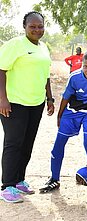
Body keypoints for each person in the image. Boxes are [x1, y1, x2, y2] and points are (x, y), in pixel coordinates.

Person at [39, 50, 87, 193]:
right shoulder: (75, 77)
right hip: (73, 111)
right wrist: (59, 115)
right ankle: (54, 179)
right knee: (58, 144)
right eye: (85, 66)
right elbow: (66, 97)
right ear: (81, 65)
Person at [0, 11, 54, 203]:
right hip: (14, 103)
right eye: (32, 26)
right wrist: (2, 99)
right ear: (24, 27)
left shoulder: (43, 47)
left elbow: (45, 74)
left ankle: (19, 180)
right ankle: (7, 186)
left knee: (27, 143)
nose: (37, 30)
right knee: (13, 143)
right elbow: (1, 70)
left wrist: (50, 98)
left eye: (40, 26)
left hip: (36, 103)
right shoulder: (15, 45)